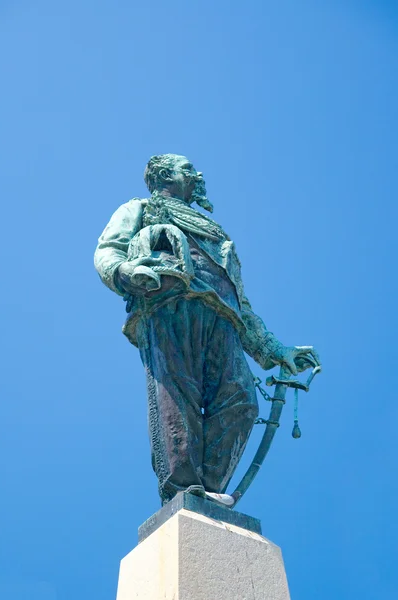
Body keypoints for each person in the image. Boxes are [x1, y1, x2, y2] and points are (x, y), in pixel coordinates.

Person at [94, 154, 319, 506]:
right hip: (169, 301)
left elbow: (242, 303)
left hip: (223, 315)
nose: (196, 174)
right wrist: (124, 273)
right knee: (176, 394)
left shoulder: (214, 233)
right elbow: (109, 250)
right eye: (187, 169)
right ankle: (182, 490)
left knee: (242, 400)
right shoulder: (139, 208)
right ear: (165, 175)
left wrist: (277, 351)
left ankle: (210, 490)